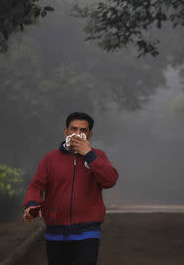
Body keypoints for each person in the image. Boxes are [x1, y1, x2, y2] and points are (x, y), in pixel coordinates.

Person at [23, 112, 119, 265]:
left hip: (88, 232)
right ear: (65, 132)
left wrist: (89, 155)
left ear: (90, 134)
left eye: (83, 130)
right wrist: (31, 205)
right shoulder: (50, 158)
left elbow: (110, 180)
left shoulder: (98, 156)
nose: (77, 134)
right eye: (73, 129)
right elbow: (35, 187)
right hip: (55, 232)